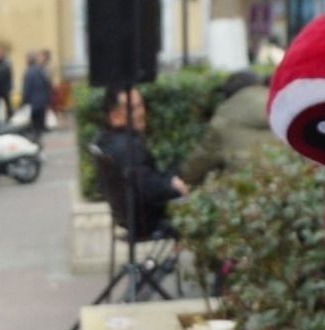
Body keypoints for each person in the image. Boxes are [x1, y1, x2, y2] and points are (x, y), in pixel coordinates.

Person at [94, 84, 187, 240]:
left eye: (141, 105)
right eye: (133, 109)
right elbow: (150, 190)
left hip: (130, 218)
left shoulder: (104, 140)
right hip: (149, 222)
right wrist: (175, 188)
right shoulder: (129, 148)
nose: (141, 112)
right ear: (114, 116)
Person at [181, 70, 273, 186]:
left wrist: (181, 179)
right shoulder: (281, 104)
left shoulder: (223, 120)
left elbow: (198, 164)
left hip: (246, 188)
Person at [20, 50, 52, 137]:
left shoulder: (28, 72)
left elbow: (27, 88)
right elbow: (47, 84)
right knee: (40, 124)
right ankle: (39, 136)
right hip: (42, 99)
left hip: (34, 101)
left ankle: (36, 137)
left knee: (35, 125)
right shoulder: (41, 70)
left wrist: (23, 101)